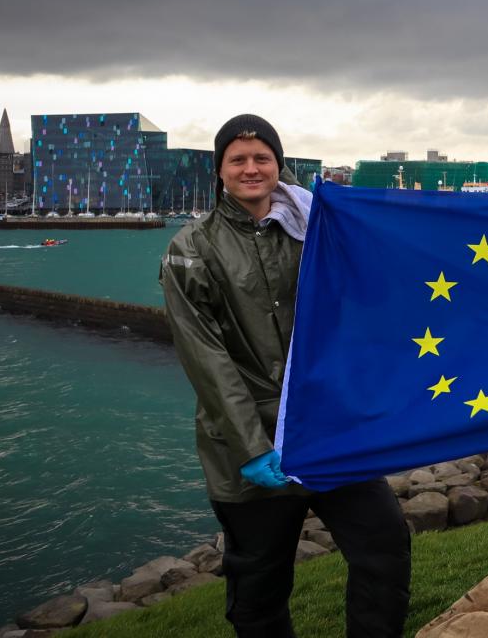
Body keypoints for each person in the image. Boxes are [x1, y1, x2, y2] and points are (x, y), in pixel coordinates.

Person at [160, 114, 411, 637]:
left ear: (279, 164)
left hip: (328, 430)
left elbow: (367, 299)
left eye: (262, 158)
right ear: (220, 171)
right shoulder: (191, 248)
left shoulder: (317, 228)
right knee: (258, 587)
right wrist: (252, 448)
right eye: (238, 159)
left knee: (384, 547)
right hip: (250, 447)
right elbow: (206, 357)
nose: (251, 169)